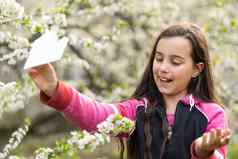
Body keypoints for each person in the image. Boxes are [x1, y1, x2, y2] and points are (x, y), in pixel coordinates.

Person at [27, 23, 230, 159]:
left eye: (175, 62)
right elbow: (95, 116)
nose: (163, 68)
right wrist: (55, 89)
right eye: (158, 59)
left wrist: (203, 151)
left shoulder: (211, 114)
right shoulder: (137, 111)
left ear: (197, 69)